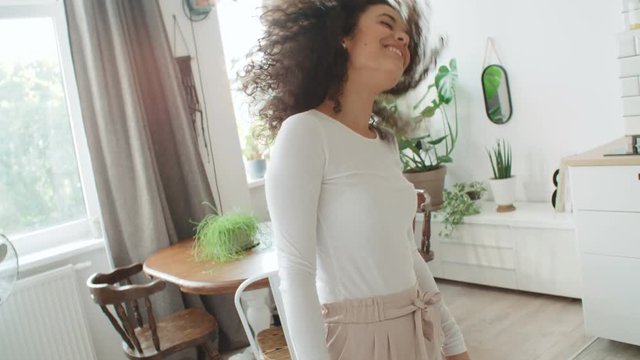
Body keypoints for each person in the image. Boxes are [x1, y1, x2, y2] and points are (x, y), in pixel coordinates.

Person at [240, 1, 471, 359]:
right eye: (386, 23)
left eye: (405, 33)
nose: (402, 37)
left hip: (416, 331)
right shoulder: (305, 133)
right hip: (355, 344)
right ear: (343, 36)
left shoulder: (386, 144)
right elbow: (296, 273)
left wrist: (454, 343)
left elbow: (407, 253)